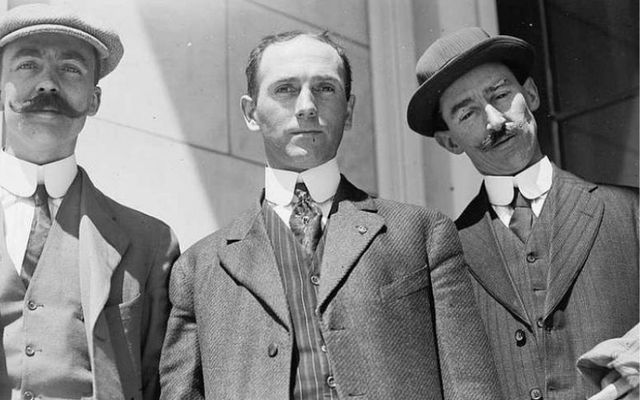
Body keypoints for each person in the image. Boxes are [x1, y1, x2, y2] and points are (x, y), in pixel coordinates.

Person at [160, 30, 501, 399]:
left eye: (325, 88)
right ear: (250, 113)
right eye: (285, 89)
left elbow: (471, 386)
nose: (306, 106)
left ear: (349, 110)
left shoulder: (421, 233)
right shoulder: (198, 269)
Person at [407, 27, 639, 400]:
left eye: (500, 95)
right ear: (450, 141)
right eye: (467, 113)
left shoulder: (630, 213)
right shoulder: (442, 255)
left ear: (529, 93)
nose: (495, 121)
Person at [0, 4, 180, 399]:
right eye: (27, 65)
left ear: (94, 100)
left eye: (70, 69)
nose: (48, 84)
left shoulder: (151, 243)